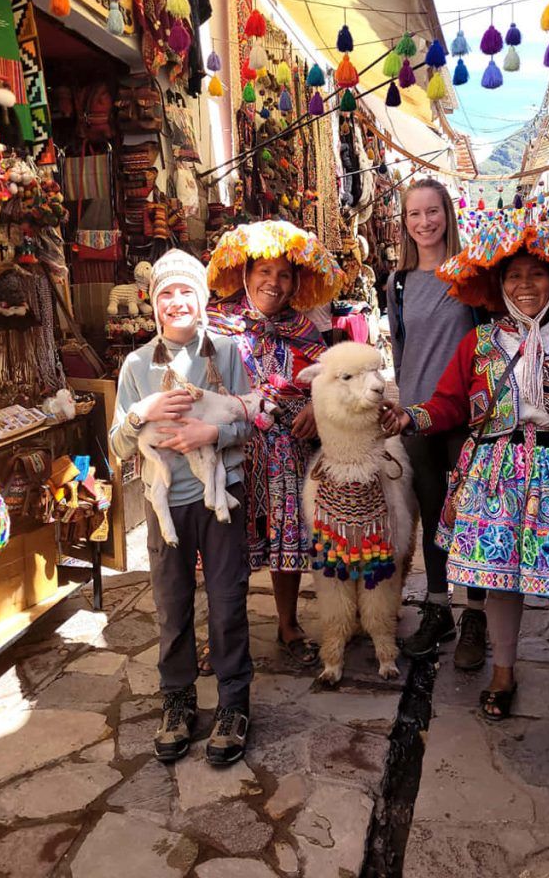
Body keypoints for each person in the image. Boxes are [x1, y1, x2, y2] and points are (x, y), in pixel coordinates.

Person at [382, 215, 549, 722]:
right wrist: (410, 417)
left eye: (537, 274)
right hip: (498, 473)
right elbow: (449, 404)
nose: (525, 285)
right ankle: (503, 673)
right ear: (498, 285)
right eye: (513, 276)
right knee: (500, 578)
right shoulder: (480, 343)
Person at [110, 249, 253, 766]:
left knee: (227, 600)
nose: (176, 302)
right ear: (153, 304)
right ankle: (178, 699)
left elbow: (247, 417)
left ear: (202, 298)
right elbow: (117, 446)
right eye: (165, 293)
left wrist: (212, 432)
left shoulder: (226, 352)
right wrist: (140, 414)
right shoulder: (136, 365)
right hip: (165, 502)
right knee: (172, 604)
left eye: (185, 291)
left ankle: (234, 704)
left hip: (220, 498)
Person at [207, 221, 344, 666]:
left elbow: (331, 380)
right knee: (226, 546)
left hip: (287, 451)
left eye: (284, 275)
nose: (274, 282)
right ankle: (223, 634)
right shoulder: (218, 325)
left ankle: (288, 624)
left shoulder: (304, 330)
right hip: (232, 449)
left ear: (296, 282)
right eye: (264, 271)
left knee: (287, 538)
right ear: (246, 274)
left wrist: (316, 406)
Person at [386, 178, 487, 669]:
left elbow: (486, 342)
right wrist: (403, 405)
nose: (424, 222)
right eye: (414, 214)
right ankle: (439, 607)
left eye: (432, 211)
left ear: (447, 213)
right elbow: (400, 348)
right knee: (432, 514)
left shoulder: (471, 274)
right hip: (417, 416)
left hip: (467, 416)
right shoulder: (398, 282)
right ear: (405, 222)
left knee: (473, 516)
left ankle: (477, 615)